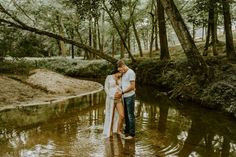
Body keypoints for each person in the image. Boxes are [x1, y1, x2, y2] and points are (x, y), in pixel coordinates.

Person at [103, 68, 125, 138]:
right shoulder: (109, 77)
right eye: (121, 72)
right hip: (111, 99)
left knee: (122, 115)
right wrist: (111, 96)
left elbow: (122, 88)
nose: (122, 74)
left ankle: (118, 130)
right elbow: (106, 88)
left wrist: (120, 92)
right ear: (117, 72)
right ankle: (110, 131)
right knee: (111, 116)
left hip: (118, 99)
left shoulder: (120, 78)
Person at [117, 60, 136, 140]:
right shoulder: (124, 73)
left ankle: (132, 134)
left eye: (121, 69)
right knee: (126, 115)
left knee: (130, 115)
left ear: (123, 66)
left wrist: (122, 92)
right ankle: (127, 130)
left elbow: (132, 86)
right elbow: (124, 84)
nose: (121, 71)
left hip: (130, 96)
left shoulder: (131, 72)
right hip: (124, 96)